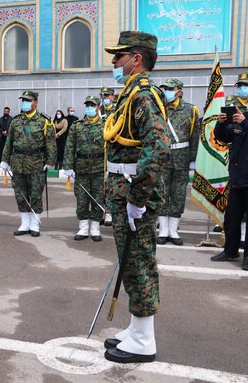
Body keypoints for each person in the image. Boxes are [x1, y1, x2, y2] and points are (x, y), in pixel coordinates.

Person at [102, 31, 171, 363]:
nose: (115, 62)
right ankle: (137, 327)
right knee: (130, 263)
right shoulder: (130, 93)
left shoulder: (143, 96)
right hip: (123, 189)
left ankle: (145, 341)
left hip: (133, 192)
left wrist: (138, 198)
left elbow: (157, 149)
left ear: (137, 59)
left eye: (120, 56)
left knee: (139, 263)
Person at [0, 90, 57, 237]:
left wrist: (51, 161)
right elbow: (9, 142)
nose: (25, 103)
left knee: (36, 195)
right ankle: (25, 223)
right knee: (21, 194)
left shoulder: (44, 121)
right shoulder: (16, 121)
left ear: (36, 102)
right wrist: (5, 160)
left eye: (28, 100)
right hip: (18, 163)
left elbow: (50, 143)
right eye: (23, 100)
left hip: (36, 163)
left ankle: (35, 224)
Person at [156, 78, 199, 246]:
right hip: (163, 157)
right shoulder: (159, 109)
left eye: (169, 88)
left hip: (182, 157)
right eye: (165, 88)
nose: (166, 91)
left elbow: (194, 135)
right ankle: (163, 230)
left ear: (179, 91)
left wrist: (193, 159)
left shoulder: (190, 110)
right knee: (161, 193)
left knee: (178, 194)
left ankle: (173, 230)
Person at [211, 95, 248, 270]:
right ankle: (231, 250)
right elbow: (223, 138)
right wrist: (221, 123)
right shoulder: (237, 119)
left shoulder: (244, 120)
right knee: (231, 218)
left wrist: (245, 122)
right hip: (237, 177)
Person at [63, 95, 105, 242]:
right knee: (81, 198)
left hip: (99, 168)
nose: (89, 108)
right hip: (81, 168)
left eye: (92, 105)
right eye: (87, 105)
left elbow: (111, 148)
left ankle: (95, 228)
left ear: (98, 107)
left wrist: (109, 167)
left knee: (98, 199)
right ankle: (83, 227)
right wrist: (68, 166)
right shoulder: (77, 125)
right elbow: (69, 146)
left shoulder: (105, 125)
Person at [101, 86, 116, 227]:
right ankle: (100, 211)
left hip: (112, 152)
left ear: (112, 96)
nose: (105, 98)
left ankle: (110, 213)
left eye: (107, 96)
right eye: (103, 96)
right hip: (99, 153)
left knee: (110, 185)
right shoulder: (98, 111)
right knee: (100, 185)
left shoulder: (116, 111)